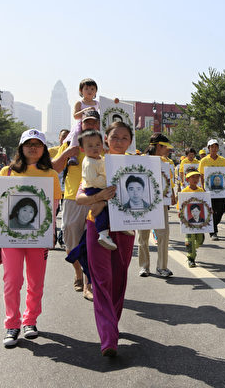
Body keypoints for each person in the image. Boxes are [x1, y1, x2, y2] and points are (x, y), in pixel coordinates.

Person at [0, 129, 62, 347]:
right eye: (28, 144)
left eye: (37, 144)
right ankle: (11, 324)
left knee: (36, 282)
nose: (33, 148)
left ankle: (30, 321)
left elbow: (53, 207)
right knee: (12, 281)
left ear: (43, 149)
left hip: (38, 239)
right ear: (21, 147)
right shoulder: (7, 172)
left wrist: (51, 233)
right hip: (10, 238)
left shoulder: (51, 174)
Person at [75, 120, 136, 356]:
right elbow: (80, 197)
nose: (119, 141)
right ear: (106, 140)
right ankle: (108, 337)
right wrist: (99, 196)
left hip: (126, 228)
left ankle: (112, 324)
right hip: (97, 227)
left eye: (124, 138)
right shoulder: (95, 162)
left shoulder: (138, 164)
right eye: (114, 137)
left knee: (119, 279)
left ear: (130, 142)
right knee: (102, 280)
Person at [53, 108, 101, 301]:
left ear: (98, 124)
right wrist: (66, 154)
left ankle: (88, 284)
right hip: (73, 198)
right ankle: (78, 273)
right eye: (87, 122)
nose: (90, 125)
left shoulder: (102, 144)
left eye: (93, 122)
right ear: (81, 123)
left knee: (91, 242)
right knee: (71, 241)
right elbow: (55, 168)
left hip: (95, 198)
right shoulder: (70, 143)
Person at [137, 133, 176, 278]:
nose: (168, 150)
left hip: (161, 203)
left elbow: (169, 181)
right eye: (166, 147)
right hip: (143, 203)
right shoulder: (141, 159)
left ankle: (162, 267)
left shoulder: (166, 162)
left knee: (163, 235)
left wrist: (172, 194)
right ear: (159, 146)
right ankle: (144, 267)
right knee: (143, 236)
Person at [78, 129, 117, 251]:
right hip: (93, 189)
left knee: (108, 208)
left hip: (101, 187)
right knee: (101, 212)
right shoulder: (89, 163)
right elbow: (94, 180)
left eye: (98, 144)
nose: (95, 148)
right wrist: (108, 182)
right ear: (82, 149)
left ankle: (120, 224)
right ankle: (103, 234)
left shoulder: (100, 158)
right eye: (90, 146)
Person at [198, 139, 225, 240]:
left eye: (216, 147)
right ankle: (213, 232)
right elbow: (201, 175)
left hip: (221, 191)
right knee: (211, 210)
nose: (214, 149)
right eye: (212, 147)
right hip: (209, 190)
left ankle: (213, 225)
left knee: (221, 211)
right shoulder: (204, 161)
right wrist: (202, 187)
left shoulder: (222, 160)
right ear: (208, 148)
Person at [65, 79, 100, 166]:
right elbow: (75, 116)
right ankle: (73, 156)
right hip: (82, 124)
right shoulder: (80, 103)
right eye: (86, 89)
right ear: (81, 90)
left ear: (96, 91)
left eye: (92, 89)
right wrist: (86, 110)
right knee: (76, 134)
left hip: (95, 124)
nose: (89, 91)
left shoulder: (97, 103)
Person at [181, 170, 206, 268]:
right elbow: (181, 206)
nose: (195, 179)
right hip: (188, 221)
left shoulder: (201, 191)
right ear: (187, 179)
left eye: (197, 177)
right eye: (193, 177)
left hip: (200, 222)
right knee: (190, 239)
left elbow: (205, 205)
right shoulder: (184, 192)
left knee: (200, 240)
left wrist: (209, 210)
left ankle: (191, 249)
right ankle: (191, 258)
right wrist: (180, 213)